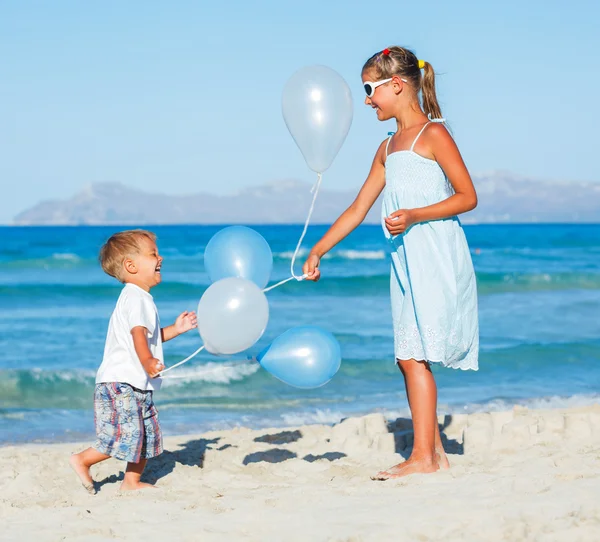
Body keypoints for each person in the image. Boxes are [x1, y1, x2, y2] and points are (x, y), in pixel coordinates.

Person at [303, 46, 479, 479]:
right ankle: (433, 453)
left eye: (370, 89)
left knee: (415, 357)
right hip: (405, 260)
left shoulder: (433, 136)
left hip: (436, 254)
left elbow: (467, 197)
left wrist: (417, 214)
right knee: (408, 354)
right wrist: (319, 248)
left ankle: (422, 458)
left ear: (396, 85)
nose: (366, 100)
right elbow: (358, 207)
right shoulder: (386, 148)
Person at [69, 229, 197, 492]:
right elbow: (138, 334)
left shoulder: (139, 298)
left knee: (147, 436)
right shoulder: (136, 297)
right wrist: (148, 360)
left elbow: (150, 337)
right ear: (131, 265)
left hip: (136, 383)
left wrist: (177, 328)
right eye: (153, 254)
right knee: (125, 436)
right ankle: (82, 459)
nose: (160, 258)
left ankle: (131, 482)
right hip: (122, 382)